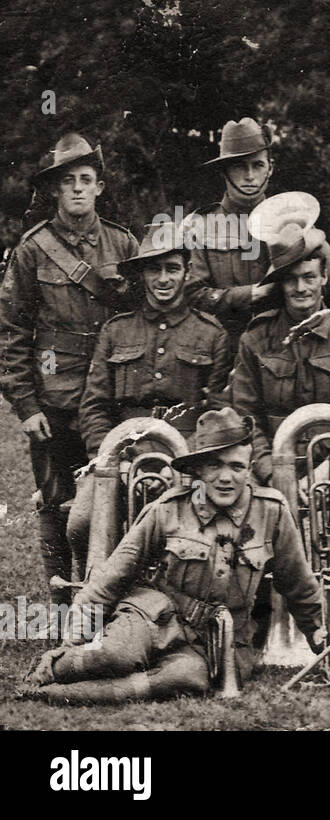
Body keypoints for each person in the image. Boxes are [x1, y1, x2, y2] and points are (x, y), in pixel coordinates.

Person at [22, 408, 325, 703]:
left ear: (249, 468)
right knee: (112, 655)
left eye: (236, 467)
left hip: (215, 641)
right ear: (198, 470)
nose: (226, 477)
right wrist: (74, 640)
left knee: (186, 679)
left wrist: (321, 639)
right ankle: (52, 667)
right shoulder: (169, 508)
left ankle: (56, 695)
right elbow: (113, 575)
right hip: (156, 615)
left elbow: (299, 583)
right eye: (215, 465)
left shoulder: (271, 512)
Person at [0, 133, 139, 609]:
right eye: (68, 181)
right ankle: (62, 606)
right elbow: (11, 329)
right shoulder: (33, 250)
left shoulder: (124, 243)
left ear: (100, 187)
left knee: (117, 494)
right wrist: (24, 405)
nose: (78, 189)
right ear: (55, 190)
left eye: (86, 180)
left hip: (114, 395)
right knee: (55, 500)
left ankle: (114, 598)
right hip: (54, 399)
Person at [68, 220, 231, 563]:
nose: (163, 279)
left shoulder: (211, 334)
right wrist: (110, 458)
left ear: (187, 272)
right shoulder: (116, 330)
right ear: (141, 274)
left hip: (188, 459)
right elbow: (94, 406)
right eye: (154, 269)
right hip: (124, 455)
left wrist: (191, 463)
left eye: (172, 269)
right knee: (81, 523)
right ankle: (93, 598)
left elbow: (216, 413)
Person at [228, 220, 330, 487]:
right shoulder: (256, 339)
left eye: (309, 277)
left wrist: (328, 469)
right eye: (291, 279)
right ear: (280, 284)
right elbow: (246, 416)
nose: (301, 288)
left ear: (324, 277)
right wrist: (272, 473)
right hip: (272, 466)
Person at [185, 120, 330, 361]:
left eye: (258, 165)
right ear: (224, 172)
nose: (250, 176)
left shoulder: (295, 221)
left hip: (290, 357)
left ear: (270, 168)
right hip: (224, 356)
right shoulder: (200, 227)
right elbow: (189, 296)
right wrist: (249, 295)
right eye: (239, 166)